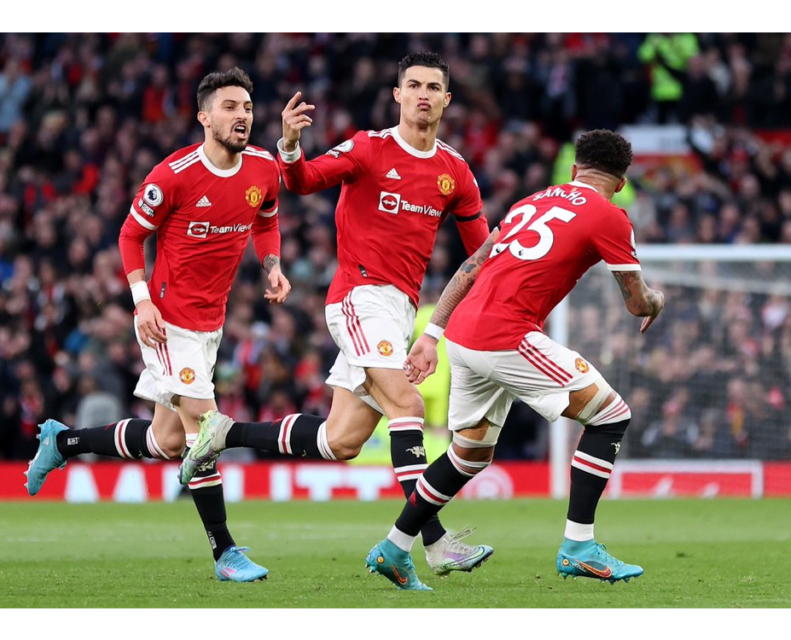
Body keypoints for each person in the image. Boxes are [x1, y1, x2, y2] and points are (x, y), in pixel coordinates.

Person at [181, 53, 494, 577]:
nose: (422, 94)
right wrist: (288, 145)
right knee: (408, 402)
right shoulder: (370, 148)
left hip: (400, 310)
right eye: (412, 84)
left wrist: (442, 327)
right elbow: (303, 181)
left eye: (432, 87)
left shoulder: (454, 171)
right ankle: (431, 543)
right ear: (397, 95)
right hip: (358, 296)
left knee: (340, 440)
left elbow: (479, 256)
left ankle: (223, 434)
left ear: (446, 99)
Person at [366, 129, 665, 591]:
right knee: (610, 415)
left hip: (462, 335)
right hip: (506, 335)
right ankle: (579, 546)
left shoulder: (531, 202)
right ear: (622, 182)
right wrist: (657, 301)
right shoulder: (610, 216)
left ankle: (393, 547)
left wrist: (431, 335)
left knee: (469, 453)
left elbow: (471, 267)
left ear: (572, 170)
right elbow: (636, 303)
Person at [24, 68, 291, 583]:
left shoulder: (263, 168)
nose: (243, 117)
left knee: (168, 442)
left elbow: (267, 219)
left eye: (248, 108)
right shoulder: (173, 174)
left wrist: (272, 265)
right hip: (167, 324)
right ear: (204, 116)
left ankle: (63, 443)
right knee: (208, 430)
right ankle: (225, 551)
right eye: (231, 107)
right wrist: (141, 302)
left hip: (211, 324)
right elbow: (129, 236)